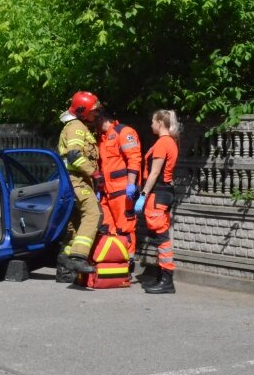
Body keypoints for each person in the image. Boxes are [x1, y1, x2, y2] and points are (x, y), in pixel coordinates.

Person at [56, 91, 103, 278]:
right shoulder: (76, 127)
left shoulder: (78, 126)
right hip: (76, 180)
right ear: (82, 110)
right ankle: (78, 257)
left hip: (73, 181)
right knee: (93, 213)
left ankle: (64, 269)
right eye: (93, 111)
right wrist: (96, 174)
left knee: (75, 225)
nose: (96, 114)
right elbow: (75, 156)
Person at [134, 109, 180, 294]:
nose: (151, 125)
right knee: (160, 237)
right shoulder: (171, 142)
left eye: (153, 121)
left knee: (161, 239)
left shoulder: (162, 143)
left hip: (158, 193)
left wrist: (143, 195)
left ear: (160, 122)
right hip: (164, 192)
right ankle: (163, 278)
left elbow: (154, 173)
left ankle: (167, 281)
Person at [95, 108, 142, 272]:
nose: (92, 123)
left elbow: (134, 159)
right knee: (108, 229)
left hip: (123, 192)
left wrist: (131, 184)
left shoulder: (124, 132)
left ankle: (128, 262)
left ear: (102, 118)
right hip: (107, 193)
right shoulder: (102, 138)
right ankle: (115, 261)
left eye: (94, 119)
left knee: (125, 229)